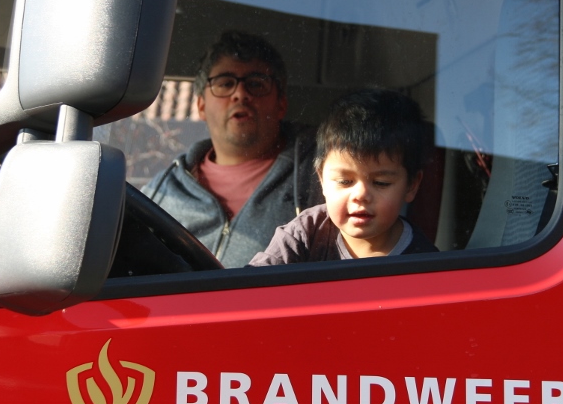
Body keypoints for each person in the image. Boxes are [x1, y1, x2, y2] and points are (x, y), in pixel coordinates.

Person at [142, 31, 318, 267]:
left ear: (281, 104)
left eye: (256, 84)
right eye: (225, 83)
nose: (240, 94)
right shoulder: (159, 194)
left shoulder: (325, 175)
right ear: (201, 105)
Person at [249, 88, 438, 266]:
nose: (361, 195)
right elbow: (254, 282)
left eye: (381, 183)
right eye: (345, 181)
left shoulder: (425, 261)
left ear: (411, 186)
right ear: (322, 180)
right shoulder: (305, 233)